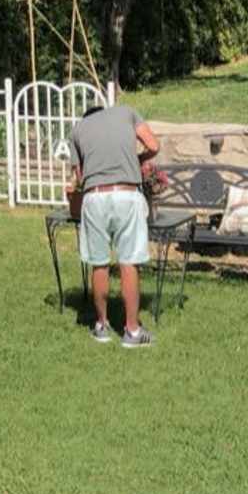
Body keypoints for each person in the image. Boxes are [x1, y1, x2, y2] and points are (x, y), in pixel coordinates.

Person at [67, 97, 158, 346]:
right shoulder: (127, 112)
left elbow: (80, 176)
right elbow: (153, 144)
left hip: (94, 198)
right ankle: (132, 331)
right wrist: (136, 160)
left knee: (99, 263)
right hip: (127, 195)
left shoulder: (77, 130)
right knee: (128, 262)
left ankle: (102, 326)